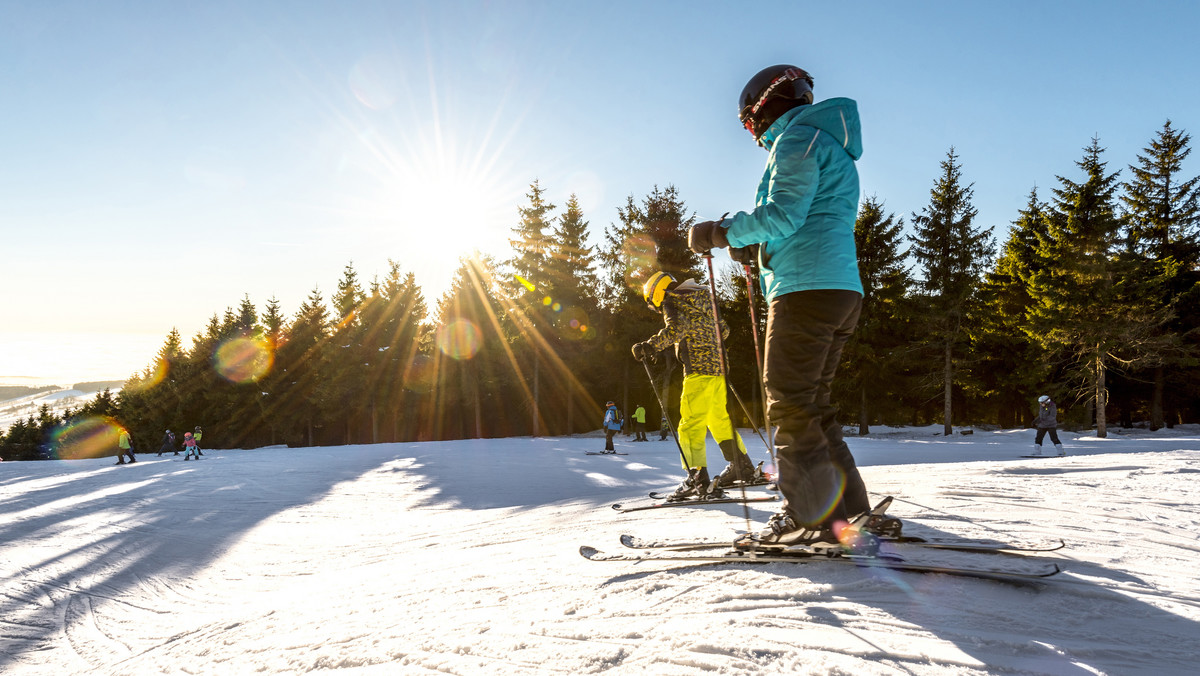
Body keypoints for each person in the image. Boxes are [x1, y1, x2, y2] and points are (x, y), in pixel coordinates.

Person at [687, 64, 887, 549]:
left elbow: (785, 214)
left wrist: (721, 231)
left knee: (791, 406)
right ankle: (850, 510)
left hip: (805, 291)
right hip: (838, 288)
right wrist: (752, 247)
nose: (752, 134)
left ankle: (808, 518)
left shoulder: (796, 141)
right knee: (813, 406)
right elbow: (808, 218)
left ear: (763, 106)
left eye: (747, 123)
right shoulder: (828, 143)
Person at [632, 271, 756, 501]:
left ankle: (697, 480)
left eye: (654, 304)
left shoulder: (672, 301)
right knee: (717, 419)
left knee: (689, 425)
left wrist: (649, 346)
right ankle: (742, 466)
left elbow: (676, 329)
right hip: (719, 370)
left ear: (656, 293)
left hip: (698, 371)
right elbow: (724, 330)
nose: (658, 309)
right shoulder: (703, 298)